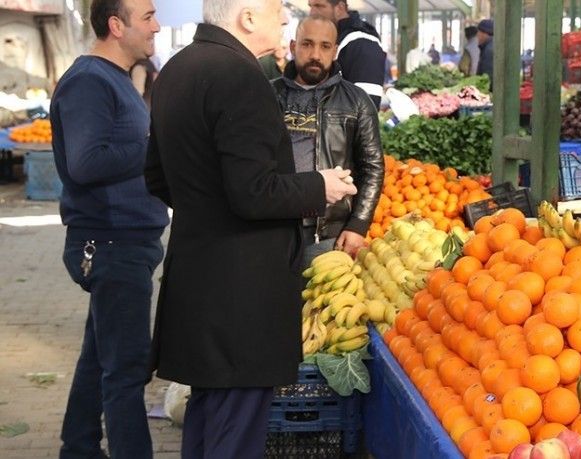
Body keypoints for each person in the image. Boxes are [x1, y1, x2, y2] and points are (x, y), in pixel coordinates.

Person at [144, 0, 358, 457]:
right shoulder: (242, 78)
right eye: (277, 10)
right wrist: (318, 185)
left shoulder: (177, 69)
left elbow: (158, 178)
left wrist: (206, 213)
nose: (285, 19)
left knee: (207, 416)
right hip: (242, 293)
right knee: (236, 430)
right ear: (246, 16)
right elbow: (253, 193)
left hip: (198, 277)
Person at [49, 0, 166, 457]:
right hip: (110, 243)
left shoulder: (113, 78)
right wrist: (155, 147)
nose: (156, 27)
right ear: (116, 26)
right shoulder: (89, 82)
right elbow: (85, 162)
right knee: (126, 370)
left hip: (124, 242)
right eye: (147, 18)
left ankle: (77, 448)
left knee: (100, 359)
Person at [273, 15, 384, 266]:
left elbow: (373, 168)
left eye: (325, 46)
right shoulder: (268, 95)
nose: (315, 54)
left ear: (335, 51)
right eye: (307, 44)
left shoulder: (357, 102)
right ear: (293, 47)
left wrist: (358, 224)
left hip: (328, 232)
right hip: (273, 228)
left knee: (319, 304)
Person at [308, 0, 387, 106]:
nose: (312, 13)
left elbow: (367, 106)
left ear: (340, 8)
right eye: (311, 6)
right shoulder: (333, 37)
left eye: (319, 6)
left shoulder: (363, 43)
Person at [476, 19, 494, 86]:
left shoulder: (489, 50)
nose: (477, 35)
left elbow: (487, 78)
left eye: (478, 32)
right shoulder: (492, 46)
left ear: (485, 33)